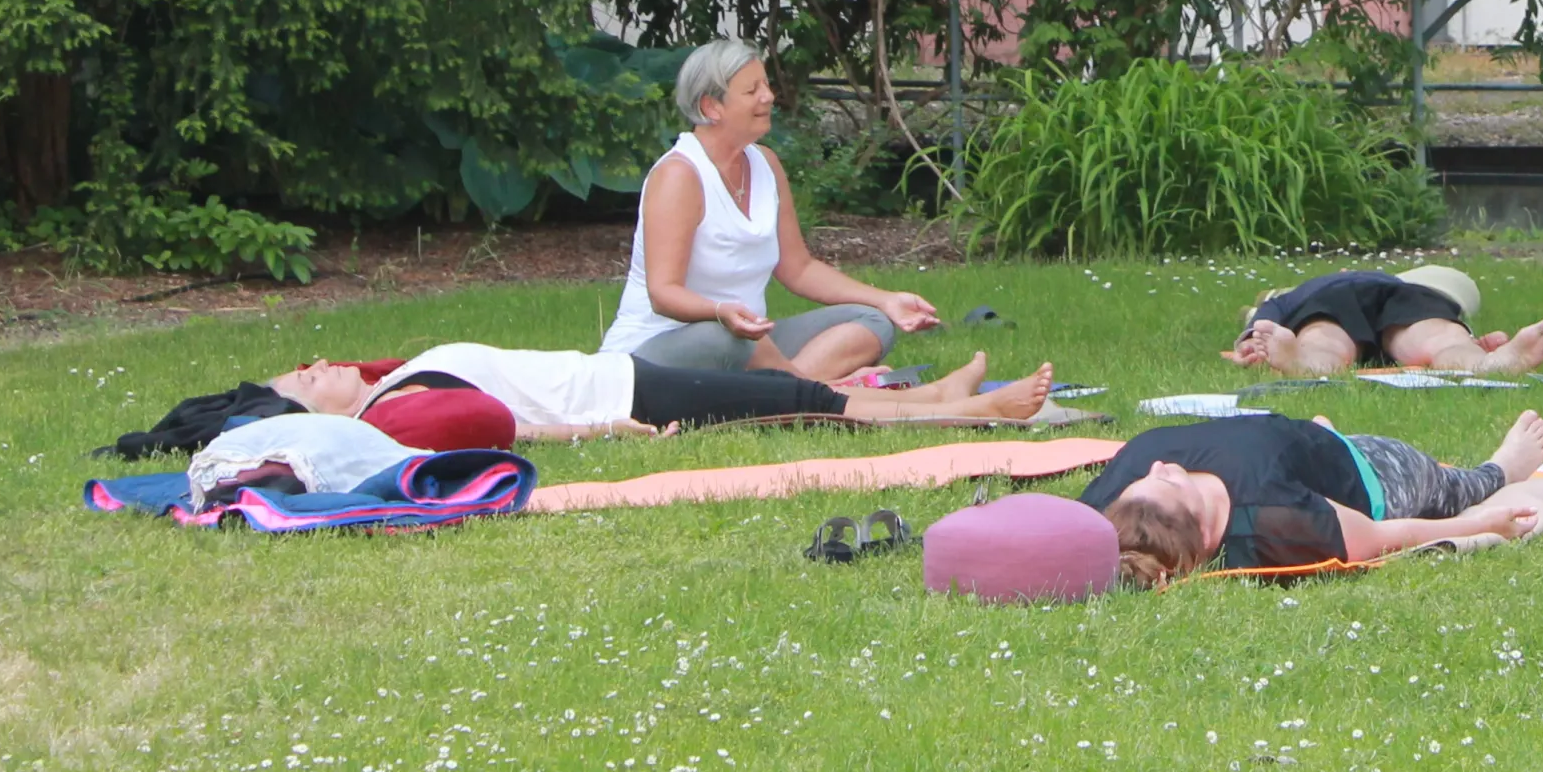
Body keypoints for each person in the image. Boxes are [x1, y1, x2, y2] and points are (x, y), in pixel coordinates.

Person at [604, 37, 940, 383]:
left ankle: (787, 388)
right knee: (723, 337)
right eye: (751, 91)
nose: (768, 96)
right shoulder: (679, 175)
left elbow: (799, 268)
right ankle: (809, 389)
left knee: (872, 322)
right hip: (663, 349)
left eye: (765, 85)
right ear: (711, 107)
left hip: (751, 343)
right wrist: (720, 312)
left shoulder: (766, 163)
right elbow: (663, 293)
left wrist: (886, 300)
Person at [1081, 408, 1543, 583]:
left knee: (1310, 448)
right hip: (1373, 475)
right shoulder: (1276, 519)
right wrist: (1484, 522)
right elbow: (1387, 535)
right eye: (1169, 481)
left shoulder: (1118, 493)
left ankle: (1319, 437)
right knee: (1452, 490)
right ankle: (1498, 470)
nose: (1160, 465)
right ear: (1204, 528)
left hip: (1296, 448)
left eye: (1152, 475)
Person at [270, 345, 1056, 444]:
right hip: (628, 394)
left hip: (621, 372)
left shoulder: (390, 380)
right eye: (305, 380)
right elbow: (496, 426)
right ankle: (972, 411)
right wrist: (611, 428)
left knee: (794, 388)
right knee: (804, 402)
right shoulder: (394, 415)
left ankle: (945, 398)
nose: (316, 364)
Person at [1222, 265, 1543, 377]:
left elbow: (1273, 308)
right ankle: (1482, 360)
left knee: (1324, 340)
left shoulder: (1306, 290)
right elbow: (1268, 314)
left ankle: (1304, 360)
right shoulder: (1406, 282)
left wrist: (1254, 332)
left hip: (1340, 302)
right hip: (1400, 295)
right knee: (1438, 338)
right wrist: (1254, 334)